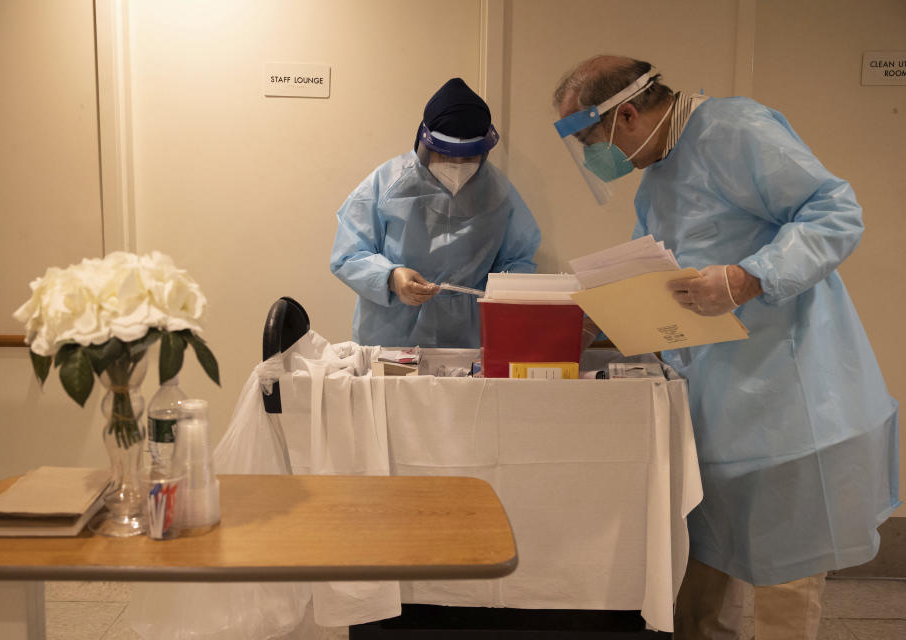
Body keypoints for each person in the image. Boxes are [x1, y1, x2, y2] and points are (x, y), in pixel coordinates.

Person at [553, 55, 899, 639]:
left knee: (783, 575)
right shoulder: (659, 175)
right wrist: (602, 317)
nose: (593, 159)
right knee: (702, 562)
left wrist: (747, 278)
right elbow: (662, 273)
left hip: (787, 398)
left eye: (591, 142)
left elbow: (835, 213)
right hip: (718, 400)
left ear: (628, 115)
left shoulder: (737, 130)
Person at [330, 78, 541, 348]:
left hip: (468, 338)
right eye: (446, 156)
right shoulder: (387, 185)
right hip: (390, 337)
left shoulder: (499, 194)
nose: (457, 166)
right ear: (425, 146)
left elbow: (518, 260)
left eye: (468, 158)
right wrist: (391, 278)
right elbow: (347, 255)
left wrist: (502, 292)